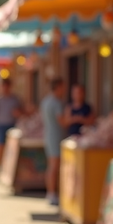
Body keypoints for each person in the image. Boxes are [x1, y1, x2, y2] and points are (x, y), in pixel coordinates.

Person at [0, 78, 22, 181]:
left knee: (11, 150)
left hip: (12, 125)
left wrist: (17, 113)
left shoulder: (15, 99)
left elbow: (21, 112)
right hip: (0, 126)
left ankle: (9, 173)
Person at [41, 78, 68, 206]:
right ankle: (52, 193)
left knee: (51, 165)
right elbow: (61, 121)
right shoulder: (57, 103)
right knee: (54, 166)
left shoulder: (45, 101)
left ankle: (51, 192)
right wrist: (75, 119)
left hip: (49, 136)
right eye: (62, 87)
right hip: (56, 137)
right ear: (57, 87)